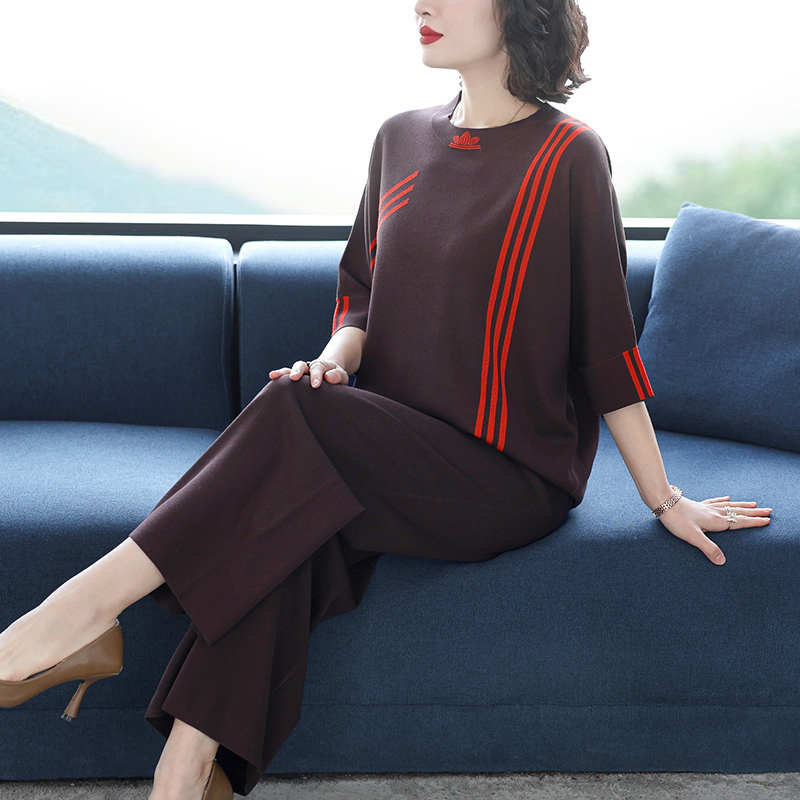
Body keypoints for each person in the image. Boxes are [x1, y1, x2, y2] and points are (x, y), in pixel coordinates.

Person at [0, 0, 772, 797]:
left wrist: (663, 498)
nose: (422, 4)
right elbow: (361, 298)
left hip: (505, 473)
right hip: (387, 445)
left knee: (292, 427)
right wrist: (332, 362)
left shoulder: (568, 155)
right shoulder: (398, 137)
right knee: (291, 486)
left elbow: (605, 348)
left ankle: (74, 615)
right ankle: (188, 772)